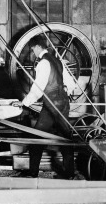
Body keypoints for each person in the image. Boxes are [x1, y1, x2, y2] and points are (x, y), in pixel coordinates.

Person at [13, 34, 76, 179]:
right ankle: (69, 174)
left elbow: (38, 87)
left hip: (51, 106)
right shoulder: (57, 61)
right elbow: (71, 83)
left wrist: (24, 103)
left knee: (37, 137)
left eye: (33, 48)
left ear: (37, 47)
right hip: (64, 103)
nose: (33, 52)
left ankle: (33, 173)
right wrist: (64, 91)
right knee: (66, 137)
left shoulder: (43, 63)